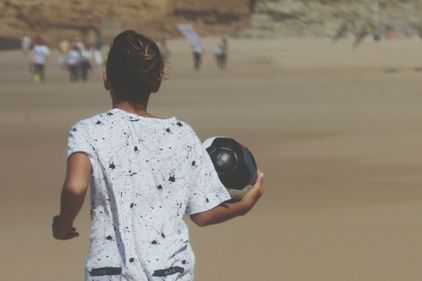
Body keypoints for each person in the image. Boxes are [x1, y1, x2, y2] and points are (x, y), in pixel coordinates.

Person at [51, 30, 264, 281]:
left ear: (106, 79)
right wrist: (244, 206)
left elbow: (76, 187)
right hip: (169, 272)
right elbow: (202, 215)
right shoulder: (182, 134)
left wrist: (63, 223)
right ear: (157, 82)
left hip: (109, 272)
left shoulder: (87, 131)